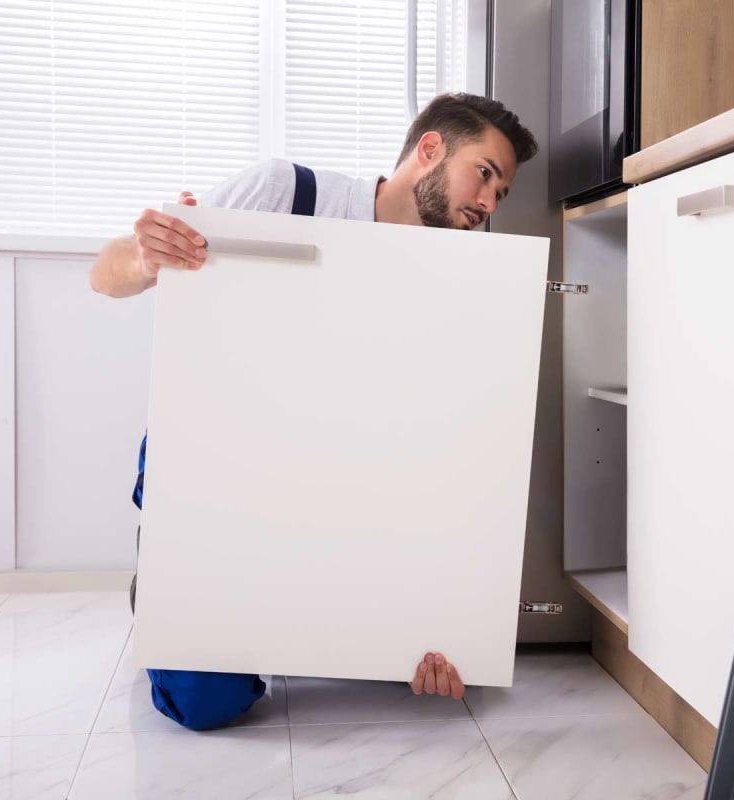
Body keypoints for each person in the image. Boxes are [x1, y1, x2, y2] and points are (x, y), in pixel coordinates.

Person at [89, 92, 538, 731]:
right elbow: (103, 275)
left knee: (409, 662)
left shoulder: (462, 278)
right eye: (485, 173)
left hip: (348, 476)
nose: (490, 203)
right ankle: (167, 572)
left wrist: (444, 620)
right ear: (430, 149)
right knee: (203, 704)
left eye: (502, 192)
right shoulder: (286, 192)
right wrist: (144, 255)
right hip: (222, 463)